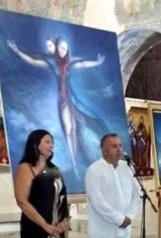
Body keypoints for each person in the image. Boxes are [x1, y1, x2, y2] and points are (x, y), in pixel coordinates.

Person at [7, 37, 108, 176]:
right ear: (57, 47)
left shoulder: (70, 62)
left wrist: (97, 62)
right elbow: (34, 61)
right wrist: (18, 52)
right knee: (69, 129)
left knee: (76, 128)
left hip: (72, 99)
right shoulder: (52, 62)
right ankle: (75, 164)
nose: (62, 50)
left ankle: (79, 160)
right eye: (60, 47)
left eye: (65, 48)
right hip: (63, 101)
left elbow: (83, 64)